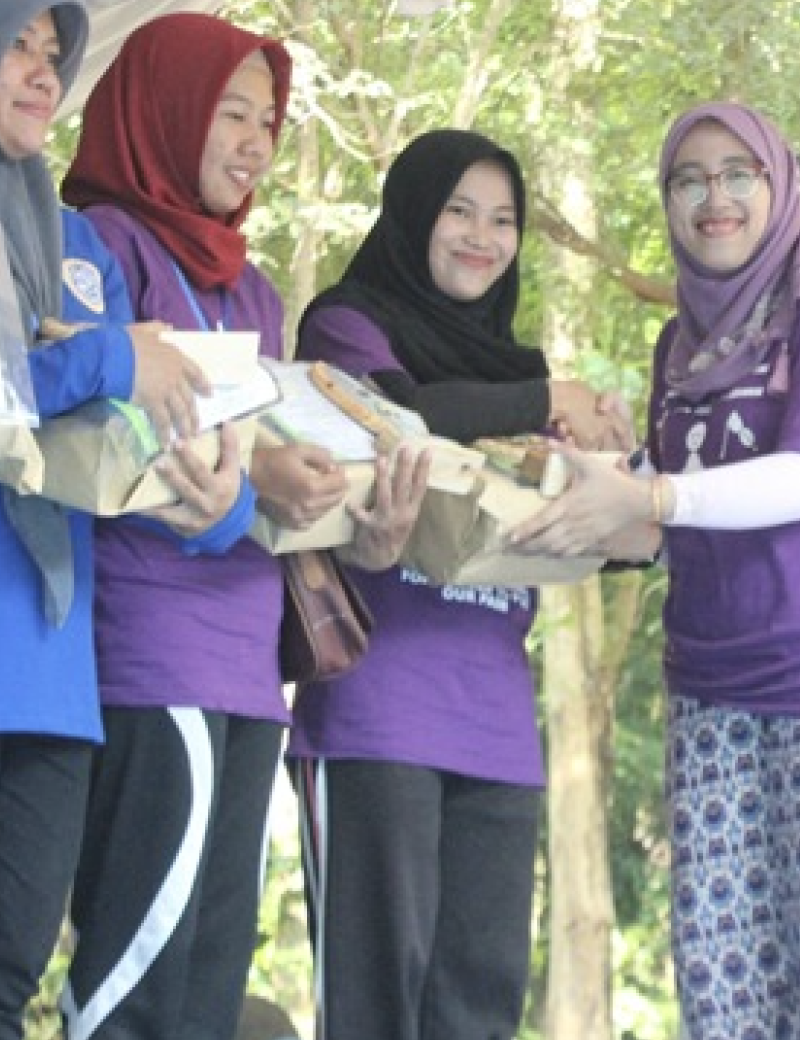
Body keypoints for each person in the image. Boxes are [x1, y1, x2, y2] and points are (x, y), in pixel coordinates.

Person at [511, 101, 800, 1038]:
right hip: (714, 682)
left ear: (781, 184)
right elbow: (665, 517)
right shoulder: (679, 343)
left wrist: (646, 495)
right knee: (729, 988)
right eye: (688, 180)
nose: (712, 198)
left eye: (736, 175)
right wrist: (582, 479)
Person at [57, 12, 430, 1040]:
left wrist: (327, 496)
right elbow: (94, 433)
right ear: (165, 111)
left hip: (248, 666)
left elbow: (259, 454)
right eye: (231, 112)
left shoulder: (252, 289)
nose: (255, 141)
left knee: (210, 983)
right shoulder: (101, 243)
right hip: (151, 650)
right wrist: (253, 476)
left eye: (268, 120)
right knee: (136, 970)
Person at [285, 127, 631, 1039]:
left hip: (498, 728)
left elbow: (606, 534)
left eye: (503, 219)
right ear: (413, 215)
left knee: (480, 1009)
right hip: (376, 716)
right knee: (376, 1008)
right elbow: (400, 418)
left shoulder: (515, 372)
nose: (483, 236)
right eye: (459, 212)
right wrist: (547, 400)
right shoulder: (347, 324)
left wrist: (615, 463)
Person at [0, 0, 213, 1040]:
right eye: (16, 45)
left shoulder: (76, 241)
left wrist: (225, 494)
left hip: (55, 672)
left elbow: (144, 414)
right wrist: (107, 358)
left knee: (3, 987)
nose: (41, 72)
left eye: (55, 54)